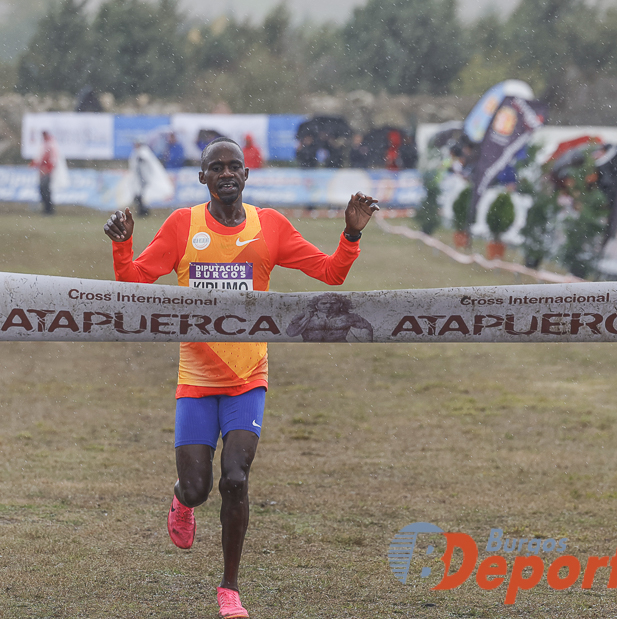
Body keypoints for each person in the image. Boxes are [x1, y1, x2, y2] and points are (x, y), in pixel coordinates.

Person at [103, 137, 378, 618]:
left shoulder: (269, 226)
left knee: (235, 478)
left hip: (248, 377)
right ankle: (182, 500)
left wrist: (350, 235)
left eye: (235, 166)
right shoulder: (182, 225)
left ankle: (229, 587)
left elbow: (330, 274)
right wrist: (123, 245)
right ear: (202, 177)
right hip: (196, 378)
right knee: (198, 488)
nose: (227, 173)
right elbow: (134, 283)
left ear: (246, 175)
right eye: (217, 167)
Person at [284, 292, 374, 342]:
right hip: (310, 350)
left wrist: (367, 343)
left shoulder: (348, 317)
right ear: (316, 305)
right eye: (324, 303)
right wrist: (305, 319)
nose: (328, 306)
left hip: (340, 350)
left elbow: (367, 328)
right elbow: (291, 333)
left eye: (333, 303)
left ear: (340, 304)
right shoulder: (305, 316)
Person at [32, 131, 57, 215]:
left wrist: (48, 169)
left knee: (45, 190)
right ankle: (46, 209)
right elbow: (40, 158)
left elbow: (53, 159)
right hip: (43, 170)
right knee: (43, 189)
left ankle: (48, 209)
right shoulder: (45, 145)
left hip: (47, 171)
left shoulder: (51, 145)